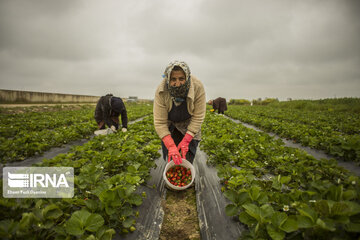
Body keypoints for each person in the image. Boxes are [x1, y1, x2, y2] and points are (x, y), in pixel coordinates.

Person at [153, 61, 206, 165]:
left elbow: (198, 117)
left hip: (189, 124)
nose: (177, 83)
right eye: (173, 79)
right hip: (170, 124)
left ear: (187, 77)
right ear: (168, 79)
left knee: (187, 158)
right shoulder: (161, 90)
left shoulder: (197, 86)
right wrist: (171, 146)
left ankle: (187, 175)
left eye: (181, 78)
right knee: (172, 157)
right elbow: (160, 123)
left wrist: (186, 140)